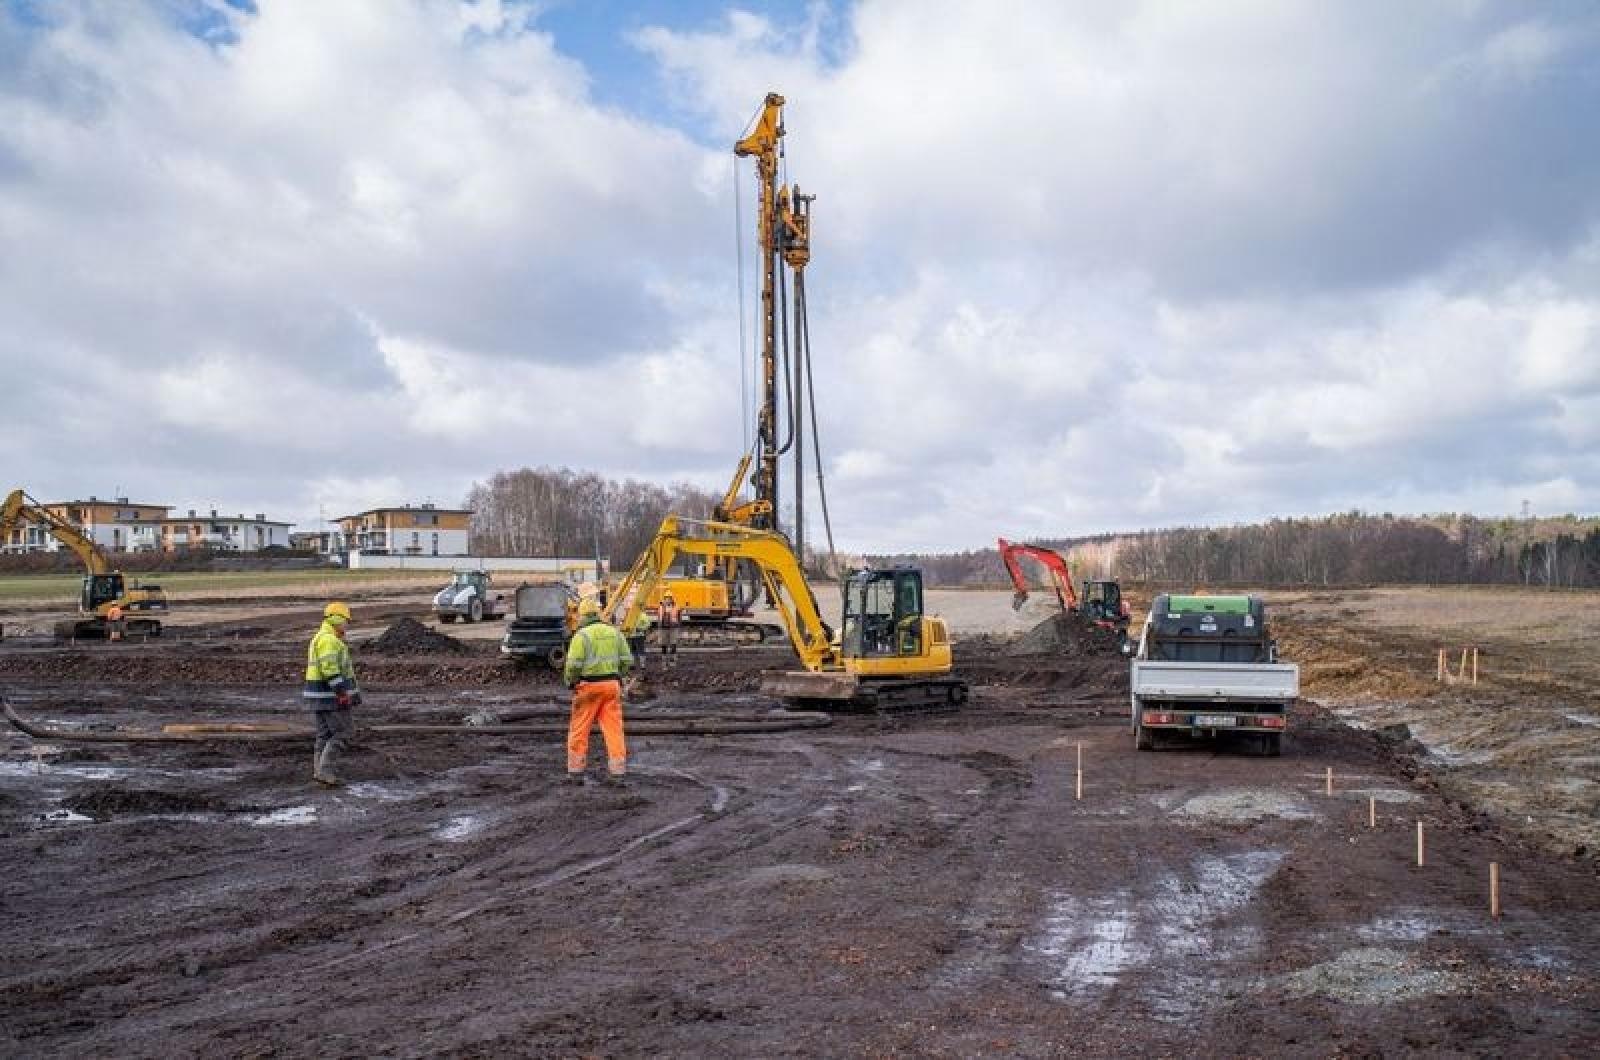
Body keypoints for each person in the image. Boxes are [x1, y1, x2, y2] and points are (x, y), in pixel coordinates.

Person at [562, 596, 634, 785]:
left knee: (579, 729)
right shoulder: (614, 633)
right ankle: (618, 773)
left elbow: (573, 665)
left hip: (588, 687)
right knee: (614, 730)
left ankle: (575, 773)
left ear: (582, 615)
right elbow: (627, 660)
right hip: (611, 686)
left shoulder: (582, 635)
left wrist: (571, 682)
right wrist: (618, 675)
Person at [302, 601, 361, 787]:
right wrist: (342, 693)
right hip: (330, 697)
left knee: (324, 735)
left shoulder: (322, 637)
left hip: (319, 696)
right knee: (344, 732)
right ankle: (325, 772)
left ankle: (319, 772)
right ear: (337, 619)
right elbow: (330, 670)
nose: (347, 625)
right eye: (346, 621)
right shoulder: (329, 640)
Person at [657, 589, 681, 666]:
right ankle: (664, 660)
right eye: (666, 598)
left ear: (671, 599)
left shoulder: (676, 607)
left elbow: (679, 617)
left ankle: (672, 660)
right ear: (664, 599)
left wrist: (678, 625)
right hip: (663, 628)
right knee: (663, 644)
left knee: (673, 644)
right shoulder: (660, 607)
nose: (668, 600)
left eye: (669, 598)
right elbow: (659, 616)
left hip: (673, 628)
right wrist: (659, 625)